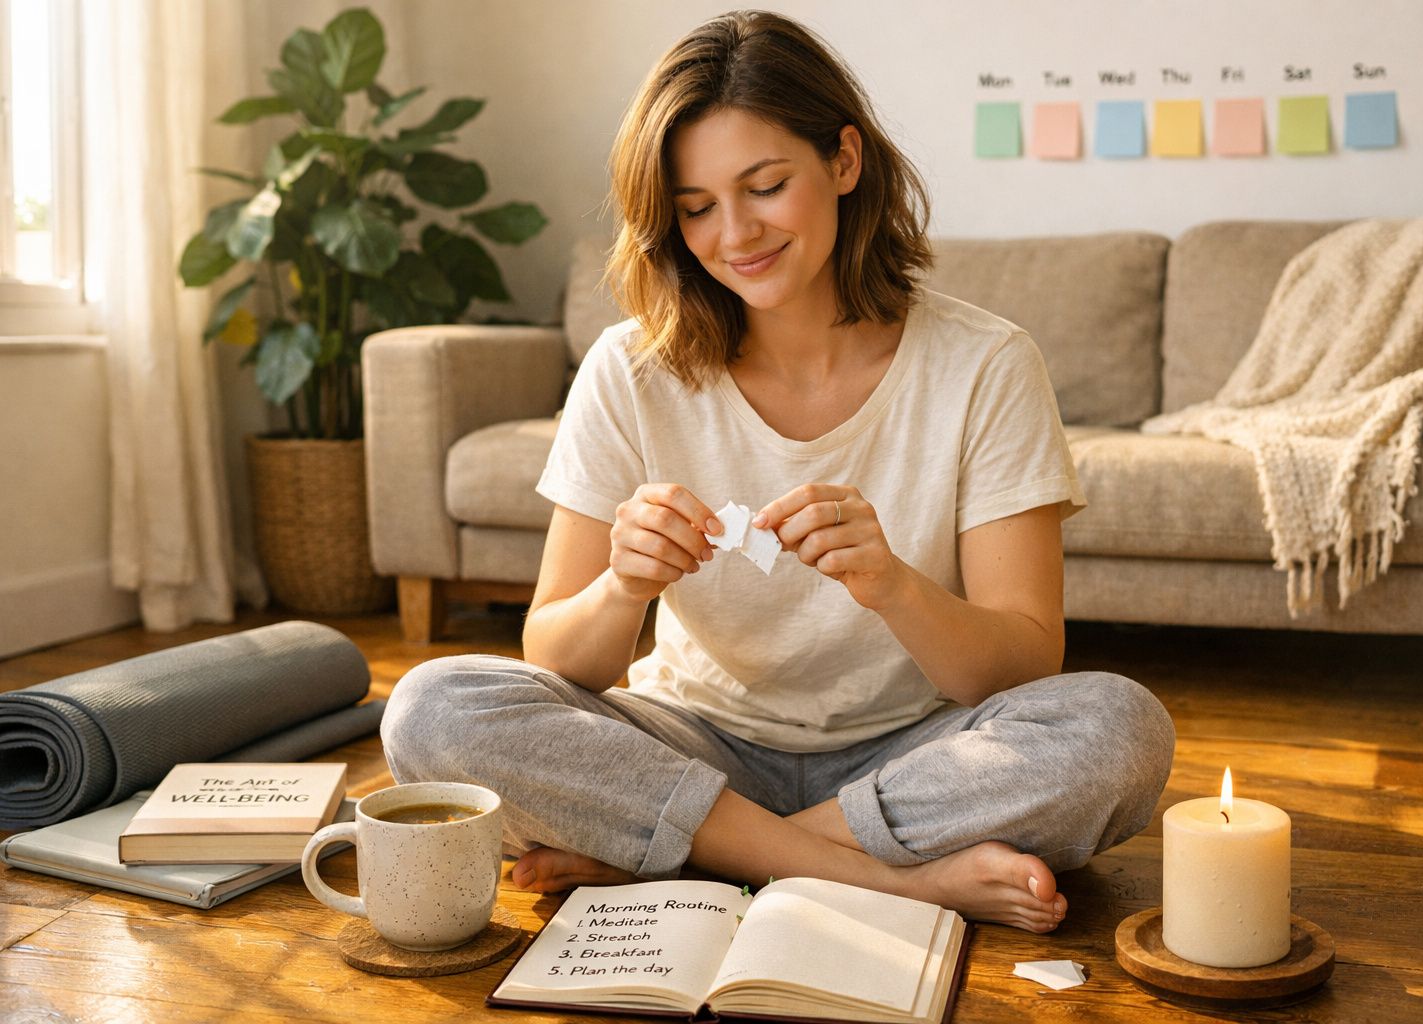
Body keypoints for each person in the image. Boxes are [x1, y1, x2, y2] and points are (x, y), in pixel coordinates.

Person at [382, 9, 1173, 933]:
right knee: (430, 708)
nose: (735, 234)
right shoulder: (629, 370)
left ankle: (700, 858)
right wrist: (622, 588)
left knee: (1119, 729)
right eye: (696, 207)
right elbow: (557, 660)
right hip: (693, 746)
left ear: (844, 161)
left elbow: (1023, 665)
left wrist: (892, 586)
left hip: (912, 756)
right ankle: (888, 882)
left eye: (764, 186)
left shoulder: (985, 364)